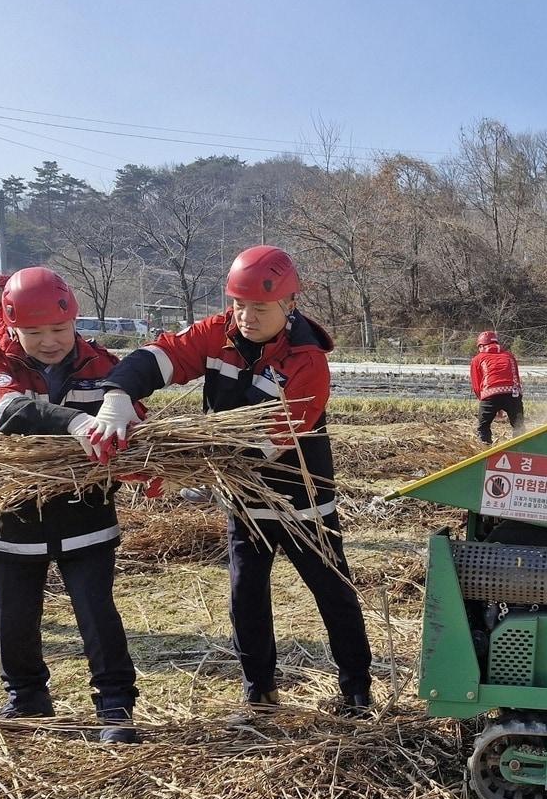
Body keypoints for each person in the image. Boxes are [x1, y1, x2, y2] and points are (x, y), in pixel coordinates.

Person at [91, 245, 374, 714]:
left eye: (259, 308)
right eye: (238, 304)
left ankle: (357, 689)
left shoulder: (308, 360)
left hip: (300, 497)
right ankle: (259, 689)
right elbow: (160, 355)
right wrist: (120, 394)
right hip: (242, 496)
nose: (245, 316)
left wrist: (187, 466)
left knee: (331, 591)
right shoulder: (217, 333)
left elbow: (270, 439)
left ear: (289, 304)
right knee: (246, 594)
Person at [0, 268, 144, 742]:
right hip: (11, 514)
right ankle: (27, 695)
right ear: (11, 327)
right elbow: (1, 412)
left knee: (96, 610)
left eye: (59, 330)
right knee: (14, 616)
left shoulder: (104, 365)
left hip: (85, 514)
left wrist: (141, 462)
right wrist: (74, 424)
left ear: (75, 321)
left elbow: (131, 428)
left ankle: (115, 704)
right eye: (34, 333)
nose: (49, 342)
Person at [469, 330, 526, 446]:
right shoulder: (509, 356)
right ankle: (521, 450)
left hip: (490, 394)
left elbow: (476, 385)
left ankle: (485, 451)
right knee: (518, 425)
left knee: (483, 427)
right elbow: (516, 377)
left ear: (481, 345)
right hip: (513, 393)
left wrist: (486, 402)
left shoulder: (478, 359)